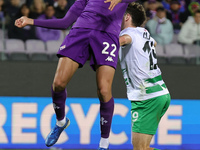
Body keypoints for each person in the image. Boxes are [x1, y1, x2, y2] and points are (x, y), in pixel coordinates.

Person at [14, 0, 135, 149]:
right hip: (80, 32)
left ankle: (104, 143)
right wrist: (30, 21)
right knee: (58, 84)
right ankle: (61, 122)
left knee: (104, 91)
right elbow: (65, 22)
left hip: (107, 36)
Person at [119, 2, 171, 150]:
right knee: (143, 147)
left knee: (140, 148)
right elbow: (153, 43)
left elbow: (122, 41)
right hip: (160, 92)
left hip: (147, 98)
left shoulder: (126, 34)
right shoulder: (144, 32)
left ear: (127, 17)